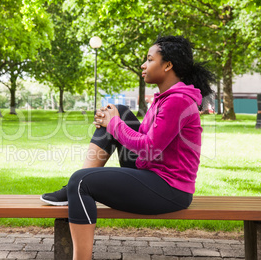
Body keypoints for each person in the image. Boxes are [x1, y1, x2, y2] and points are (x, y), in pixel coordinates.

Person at [41, 35, 214, 260]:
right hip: (152, 171)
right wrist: (113, 121)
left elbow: (149, 146)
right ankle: (71, 188)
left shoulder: (177, 101)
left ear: (168, 65)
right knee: (119, 110)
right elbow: (142, 139)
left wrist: (113, 124)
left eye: (150, 59)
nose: (143, 65)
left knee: (81, 182)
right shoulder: (164, 98)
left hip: (170, 189)